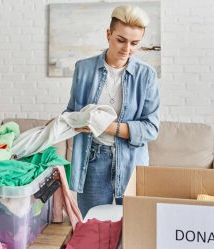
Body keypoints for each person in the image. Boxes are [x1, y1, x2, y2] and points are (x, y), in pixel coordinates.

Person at [64, 4, 160, 217]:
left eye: (135, 43)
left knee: (132, 228)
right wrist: (64, 121)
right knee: (92, 229)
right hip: (93, 161)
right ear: (108, 34)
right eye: (121, 40)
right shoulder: (84, 69)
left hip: (131, 161)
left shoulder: (146, 76)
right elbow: (72, 111)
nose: (127, 49)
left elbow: (151, 128)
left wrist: (105, 127)